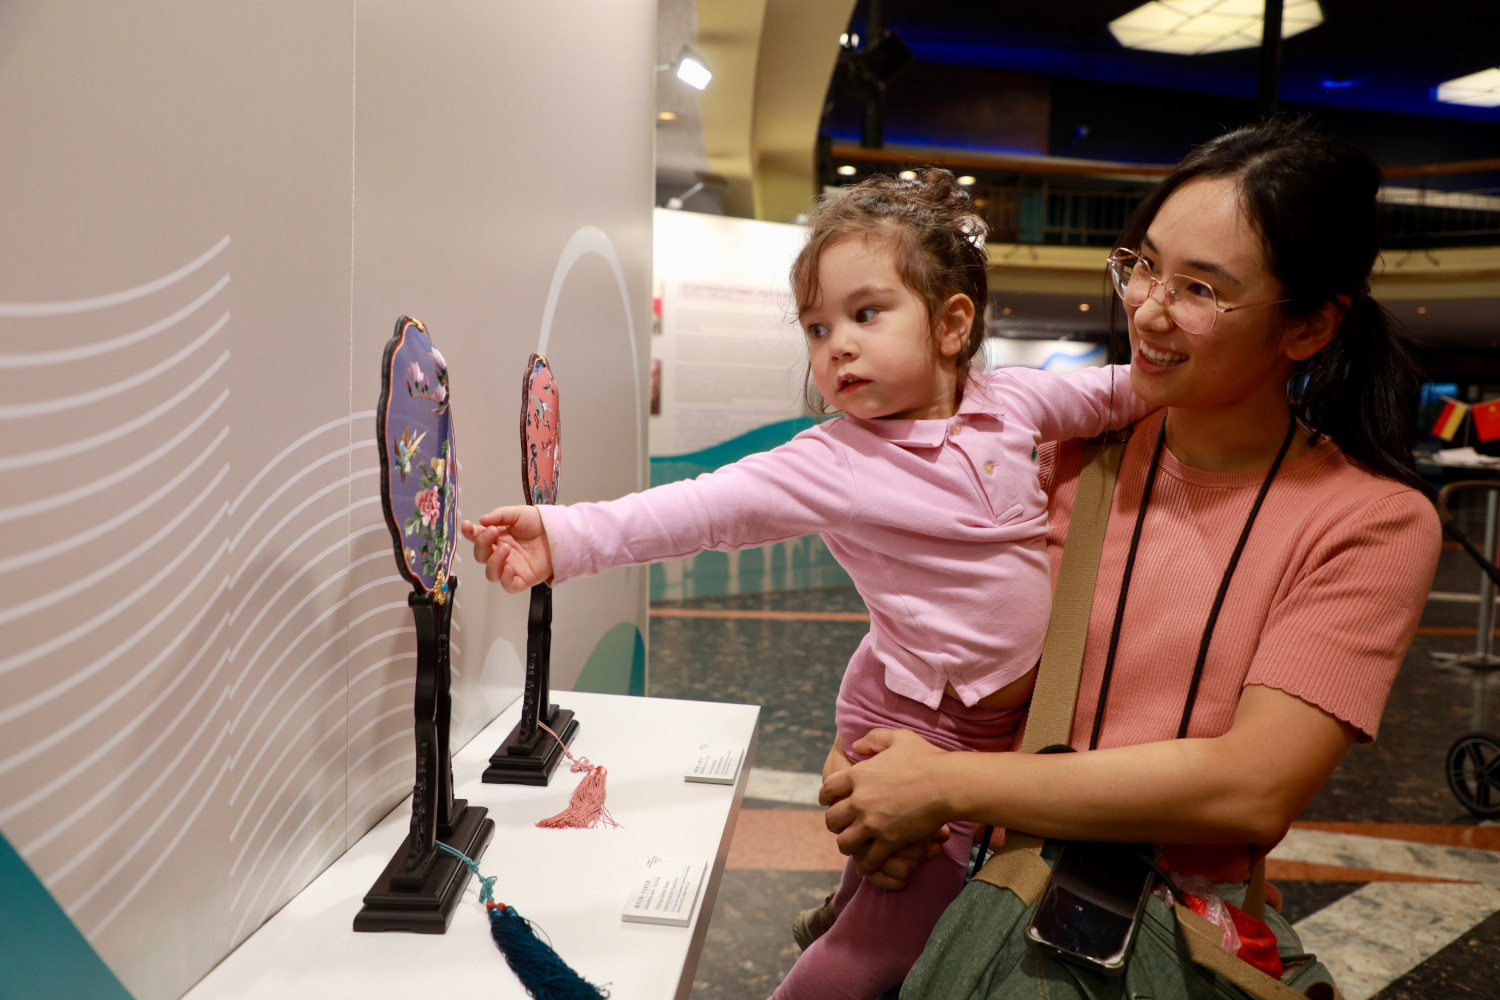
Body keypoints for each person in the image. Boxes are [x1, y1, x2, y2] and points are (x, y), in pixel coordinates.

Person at [462, 169, 1151, 1000]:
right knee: (886, 941)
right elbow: (704, 508)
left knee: (875, 894)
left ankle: (842, 915)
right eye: (818, 328)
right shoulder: (836, 459)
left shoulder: (1015, 403)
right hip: (923, 724)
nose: (837, 346)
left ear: (952, 324)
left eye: (866, 315)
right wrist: (565, 536)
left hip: (974, 722)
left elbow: (1123, 394)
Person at [817, 120, 1442, 998]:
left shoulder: (1371, 522)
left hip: (1147, 932)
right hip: (952, 889)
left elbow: (1250, 786)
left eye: (1200, 289)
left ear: (1307, 329)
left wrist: (946, 783)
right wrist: (866, 754)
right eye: (1143, 264)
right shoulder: (1060, 453)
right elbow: (934, 619)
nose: (1146, 309)